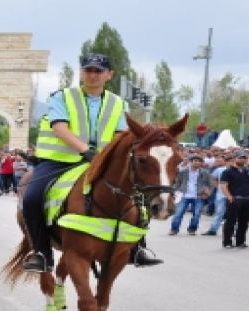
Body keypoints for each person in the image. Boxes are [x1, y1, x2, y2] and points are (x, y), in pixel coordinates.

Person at [23, 53, 156, 272]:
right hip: (60, 160)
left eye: (98, 71)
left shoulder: (117, 103)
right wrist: (87, 151)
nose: (92, 75)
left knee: (138, 198)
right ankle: (41, 253)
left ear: (109, 75)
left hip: (101, 162)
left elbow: (120, 135)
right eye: (88, 70)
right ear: (81, 73)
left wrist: (107, 156)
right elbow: (59, 128)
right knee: (32, 198)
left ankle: (137, 247)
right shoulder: (61, 96)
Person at [219, 153, 249, 249]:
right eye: (240, 158)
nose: (243, 160)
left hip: (247, 198)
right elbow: (223, 185)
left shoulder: (248, 171)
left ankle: (240, 241)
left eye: (244, 158)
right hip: (234, 198)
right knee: (231, 221)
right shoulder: (228, 172)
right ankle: (227, 242)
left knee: (244, 222)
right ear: (235, 159)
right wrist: (228, 196)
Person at [169, 156, 211, 235]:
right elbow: (177, 183)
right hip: (184, 195)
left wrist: (207, 194)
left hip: (198, 196)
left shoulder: (204, 172)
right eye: (195, 161)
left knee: (197, 214)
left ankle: (192, 229)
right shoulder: (183, 172)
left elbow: (209, 184)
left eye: (199, 161)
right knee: (178, 213)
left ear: (201, 163)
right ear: (190, 162)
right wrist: (175, 193)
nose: (197, 162)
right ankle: (174, 229)